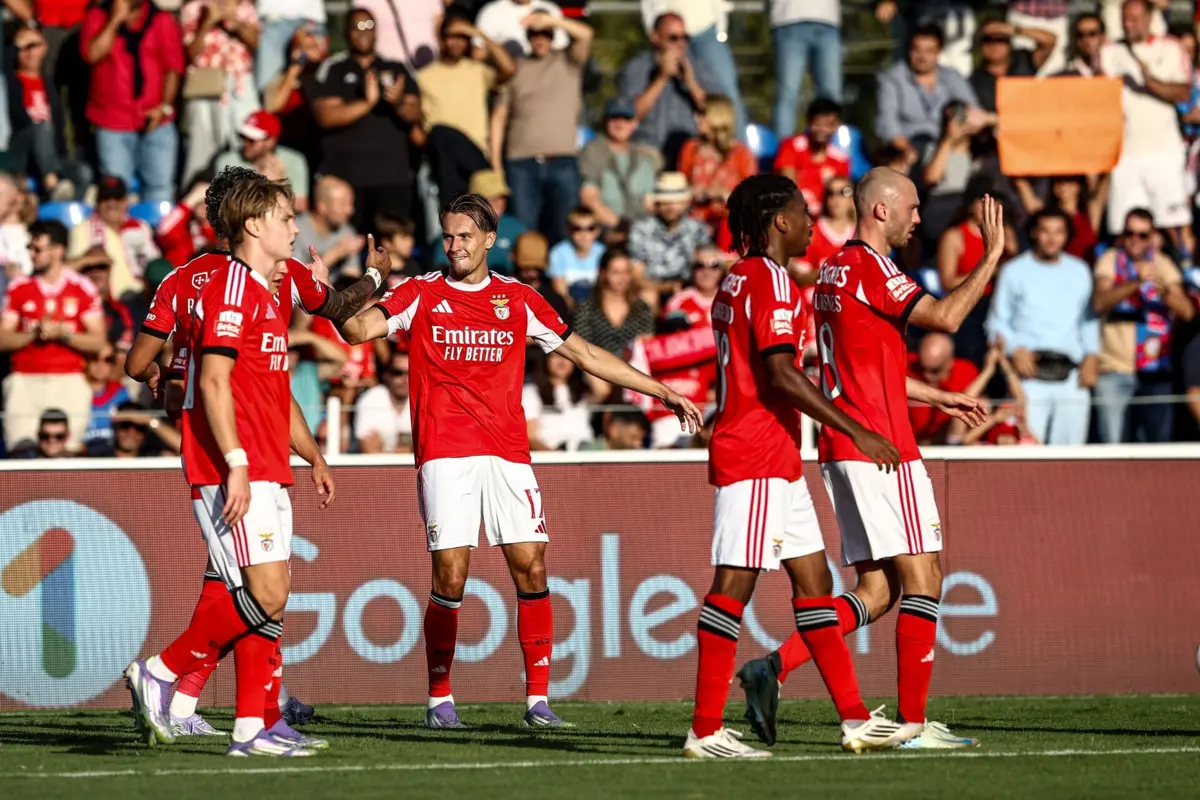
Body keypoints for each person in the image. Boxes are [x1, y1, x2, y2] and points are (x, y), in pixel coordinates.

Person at [336, 192, 702, 730]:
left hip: (508, 454)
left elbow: (586, 355)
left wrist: (661, 392)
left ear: (489, 239)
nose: (455, 245)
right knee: (451, 575)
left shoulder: (520, 299)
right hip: (445, 451)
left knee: (531, 565)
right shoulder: (419, 293)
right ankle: (440, 699)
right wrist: (370, 278)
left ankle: (537, 701)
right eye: (449, 235)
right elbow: (354, 329)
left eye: (466, 235)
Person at [738, 167, 995, 750]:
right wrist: (991, 254)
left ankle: (771, 668)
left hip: (843, 446)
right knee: (925, 577)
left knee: (878, 591)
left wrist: (936, 394)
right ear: (880, 210)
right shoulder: (871, 267)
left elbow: (863, 367)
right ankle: (910, 725)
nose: (917, 218)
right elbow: (948, 318)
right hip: (881, 446)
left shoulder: (831, 272)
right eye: (910, 206)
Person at [123, 166, 389, 731]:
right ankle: (214, 698)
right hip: (226, 450)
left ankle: (233, 713)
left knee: (236, 585)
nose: (295, 228)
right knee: (253, 589)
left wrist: (169, 374)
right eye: (286, 217)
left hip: (253, 443)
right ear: (250, 221)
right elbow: (340, 309)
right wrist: (373, 276)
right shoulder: (258, 281)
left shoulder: (188, 279)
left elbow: (139, 363)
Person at [685, 172, 912, 759]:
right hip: (756, 451)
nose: (814, 223)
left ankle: (856, 719)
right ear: (780, 220)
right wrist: (857, 427)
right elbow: (781, 373)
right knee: (732, 586)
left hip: (776, 455)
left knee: (815, 584)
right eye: (804, 212)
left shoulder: (740, 279)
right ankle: (705, 729)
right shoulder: (768, 279)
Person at [987, 208, 1100, 445]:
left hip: (1072, 376)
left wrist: (1092, 355)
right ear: (1034, 233)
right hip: (1029, 377)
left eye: (1059, 232)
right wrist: (1014, 349)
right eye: (1045, 231)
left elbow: (1088, 319)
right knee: (1027, 453)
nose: (1052, 238)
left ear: (1067, 235)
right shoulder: (1013, 271)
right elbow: (996, 321)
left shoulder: (1080, 270)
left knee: (1071, 458)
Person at [0, 219, 105, 454]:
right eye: (30, 247)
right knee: (21, 451)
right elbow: (2, 338)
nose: (31, 253)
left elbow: (98, 341)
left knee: (68, 452)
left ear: (58, 251)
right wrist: (33, 333)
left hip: (69, 379)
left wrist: (63, 334)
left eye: (37, 248)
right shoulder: (18, 287)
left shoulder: (83, 288)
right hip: (24, 380)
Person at [1092, 208, 1194, 443]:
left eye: (1142, 235)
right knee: (1112, 447)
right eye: (1130, 233)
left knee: (1156, 448)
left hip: (1155, 371)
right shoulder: (1110, 259)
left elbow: (1187, 311)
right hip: (1115, 369)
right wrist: (1136, 282)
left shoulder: (1163, 263)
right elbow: (1099, 302)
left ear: (1153, 236)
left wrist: (1165, 290)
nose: (1135, 240)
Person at [490, 10, 591, 243]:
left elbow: (586, 34)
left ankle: (558, 279)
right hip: (521, 163)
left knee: (564, 230)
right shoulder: (515, 68)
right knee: (525, 234)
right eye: (534, 33)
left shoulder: (568, 60)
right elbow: (499, 117)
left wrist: (550, 20)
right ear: (527, 36)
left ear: (553, 35)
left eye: (545, 33)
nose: (540, 38)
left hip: (563, 160)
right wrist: (496, 165)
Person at [1100, 0, 1192, 253]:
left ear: (1150, 18)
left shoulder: (1171, 48)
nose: (1129, 24)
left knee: (1175, 224)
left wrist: (1150, 82)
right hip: (1125, 154)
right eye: (1125, 18)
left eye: (1135, 18)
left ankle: (1188, 273)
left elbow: (1183, 91)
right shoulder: (1109, 52)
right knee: (1125, 228)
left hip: (1163, 150)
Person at [80, 0, 185, 204]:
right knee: (116, 194)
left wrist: (164, 106)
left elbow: (173, 68)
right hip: (113, 122)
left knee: (160, 190)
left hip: (156, 121)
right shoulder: (97, 17)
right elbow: (92, 54)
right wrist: (115, 20)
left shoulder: (161, 20)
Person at [678, 95, 756, 230]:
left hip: (730, 224)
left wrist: (724, 194)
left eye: (702, 114)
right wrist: (695, 192)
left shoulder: (741, 153)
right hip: (695, 222)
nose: (696, 118)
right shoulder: (690, 148)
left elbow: (752, 197)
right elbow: (679, 186)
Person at [774, 98, 851, 221]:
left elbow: (842, 198)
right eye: (817, 123)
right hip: (793, 218)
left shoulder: (840, 160)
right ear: (808, 123)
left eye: (828, 125)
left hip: (824, 222)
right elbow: (787, 187)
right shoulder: (791, 146)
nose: (822, 129)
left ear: (836, 126)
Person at [548, 206, 606, 304]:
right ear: (568, 230)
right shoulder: (558, 253)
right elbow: (561, 294)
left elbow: (605, 290)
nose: (584, 234)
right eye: (577, 228)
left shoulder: (603, 253)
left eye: (590, 228)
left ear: (597, 231)